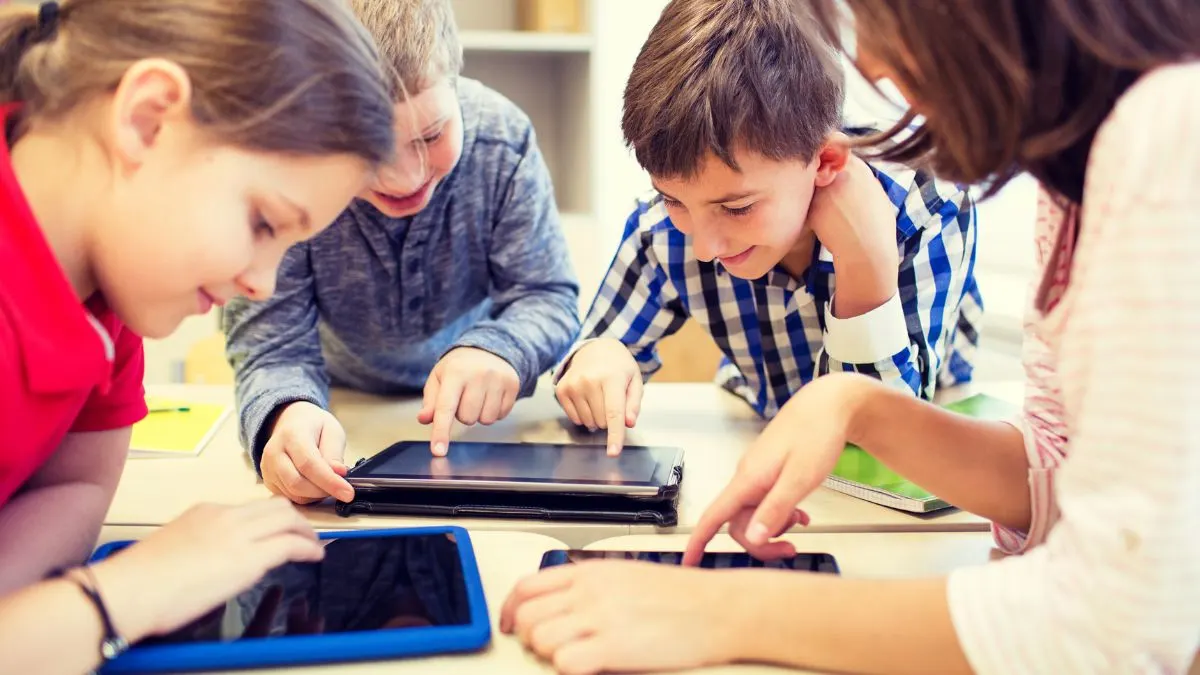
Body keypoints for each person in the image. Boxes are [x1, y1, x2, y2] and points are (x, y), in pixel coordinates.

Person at [499, 1, 1200, 673]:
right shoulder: (1075, 176)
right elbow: (1049, 474)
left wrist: (723, 608)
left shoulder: (1164, 134)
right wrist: (855, 404)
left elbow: (1119, 623)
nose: (865, 58)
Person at [0, 0, 399, 672]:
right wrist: (119, 595)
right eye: (265, 223)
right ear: (147, 118)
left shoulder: (107, 298)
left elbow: (73, 490)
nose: (264, 285)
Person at [552, 0, 982, 455]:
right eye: (673, 198)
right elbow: (594, 353)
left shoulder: (926, 203)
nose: (704, 246)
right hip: (758, 429)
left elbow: (883, 435)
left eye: (737, 208)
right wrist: (595, 360)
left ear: (827, 161)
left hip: (922, 453)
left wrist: (865, 262)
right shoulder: (660, 228)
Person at [224, 0, 580, 504]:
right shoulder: (289, 168)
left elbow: (547, 295)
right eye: (369, 151)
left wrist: (503, 347)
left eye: (431, 135)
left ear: (456, 79)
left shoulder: (503, 141)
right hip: (335, 406)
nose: (406, 177)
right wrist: (285, 414)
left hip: (477, 426)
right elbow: (272, 345)